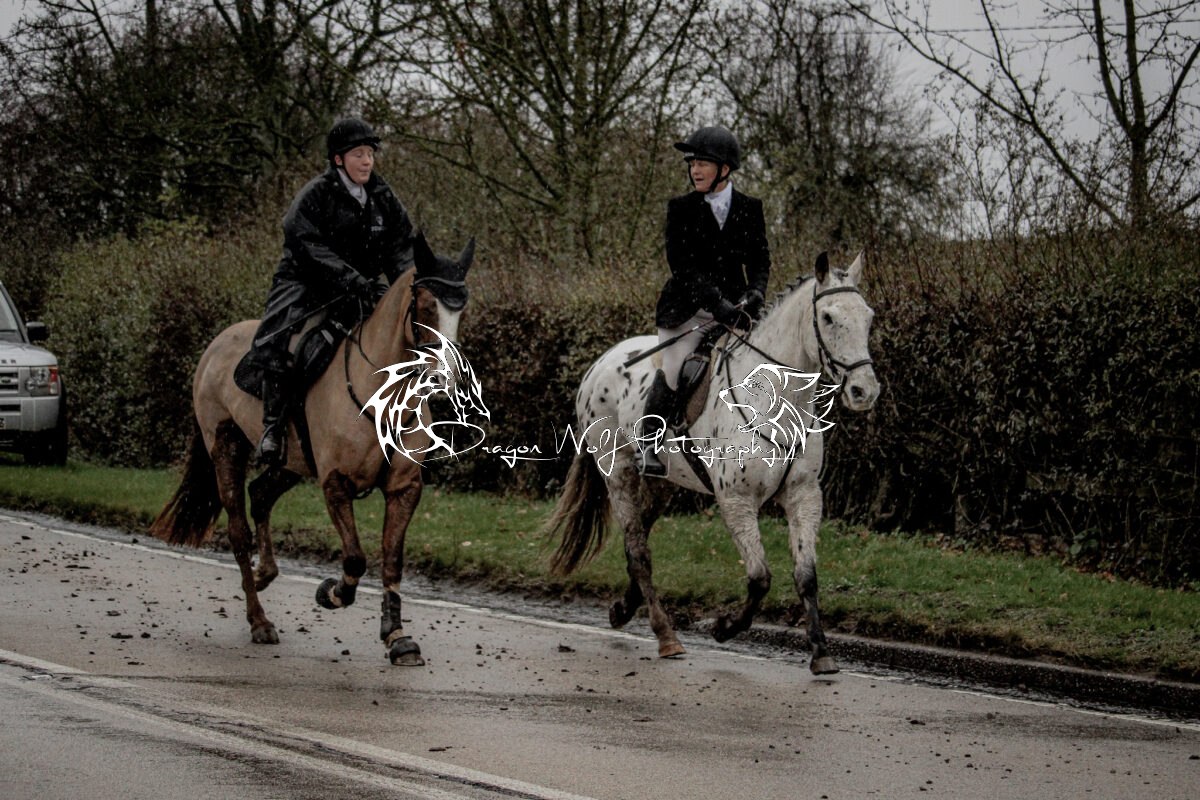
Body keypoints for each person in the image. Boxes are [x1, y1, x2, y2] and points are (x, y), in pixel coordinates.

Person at [252, 117, 417, 466]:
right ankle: (272, 428)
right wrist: (350, 278)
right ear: (339, 159)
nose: (367, 162)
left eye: (370, 154)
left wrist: (407, 286)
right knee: (282, 342)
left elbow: (401, 245)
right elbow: (306, 243)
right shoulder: (316, 194)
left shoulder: (382, 195)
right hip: (306, 283)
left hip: (360, 286)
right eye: (359, 155)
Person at [638, 125, 771, 477]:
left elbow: (760, 259)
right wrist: (716, 303)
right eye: (692, 164)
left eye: (702, 164)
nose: (694, 170)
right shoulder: (680, 208)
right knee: (674, 369)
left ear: (724, 169)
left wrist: (757, 291)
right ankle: (648, 442)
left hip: (734, 312)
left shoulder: (750, 208)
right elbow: (682, 266)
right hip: (687, 312)